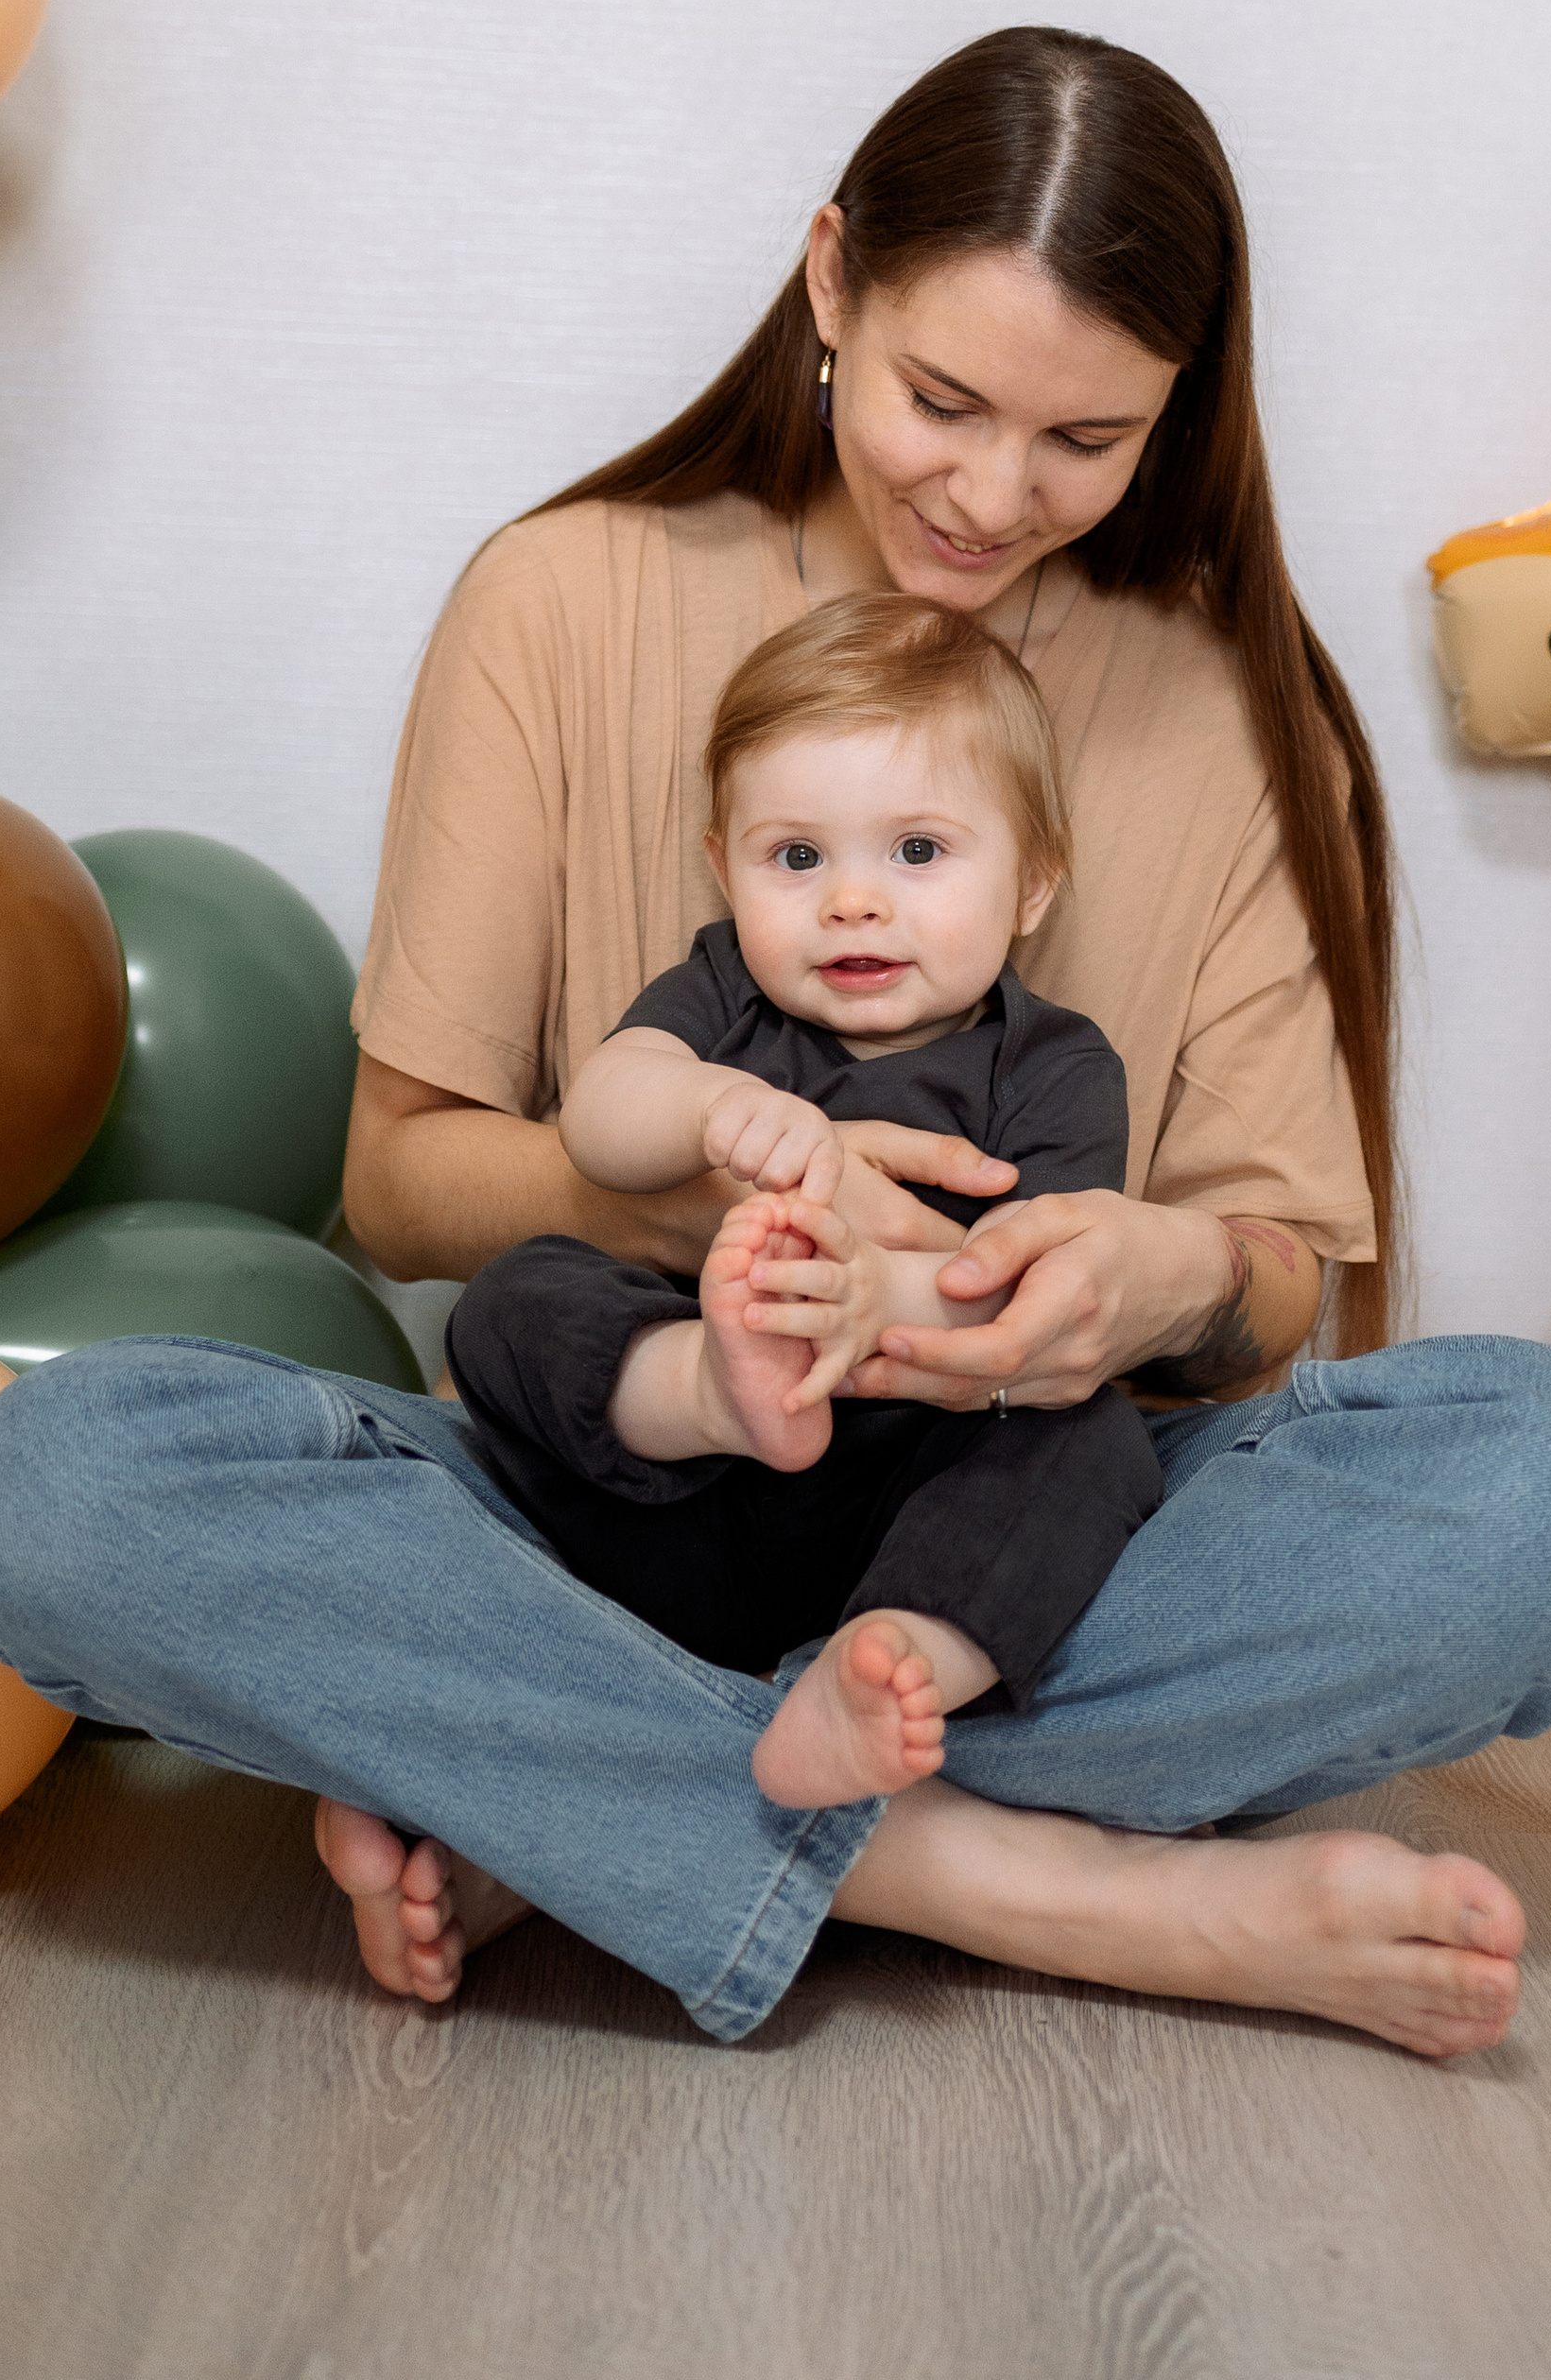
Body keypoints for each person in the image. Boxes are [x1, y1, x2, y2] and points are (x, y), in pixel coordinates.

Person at [0, 24, 1551, 2064]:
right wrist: (724, 1197)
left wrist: (1162, 1272)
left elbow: (1279, 1278)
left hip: (1006, 1536)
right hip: (616, 1494)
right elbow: (403, 1176)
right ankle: (1015, 1879)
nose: (987, 492)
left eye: (1082, 440)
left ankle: (569, 1799)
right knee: (59, 1481)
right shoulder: (559, 599)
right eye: (942, 399)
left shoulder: (1227, 704)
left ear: (1175, 412)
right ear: (831, 281)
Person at [446, 590, 1165, 1812]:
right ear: (725, 869)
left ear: (1034, 882)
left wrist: (859, 1295)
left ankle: (888, 1666)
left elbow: (1041, 1291)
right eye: (797, 858)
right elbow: (602, 1121)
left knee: (1089, 1438)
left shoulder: (1054, 1063)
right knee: (514, 1294)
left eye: (919, 852)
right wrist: (702, 1108)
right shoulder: (724, 994)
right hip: (676, 1484)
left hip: (905, 1481)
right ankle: (715, 1387)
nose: (852, 901)